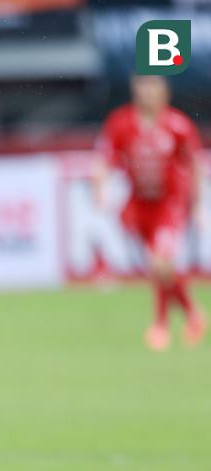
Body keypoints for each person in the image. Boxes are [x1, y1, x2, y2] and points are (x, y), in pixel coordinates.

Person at [93, 74, 205, 351]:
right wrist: (101, 189)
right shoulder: (121, 123)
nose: (147, 93)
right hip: (139, 205)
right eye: (142, 87)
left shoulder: (178, 125)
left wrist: (198, 206)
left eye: (153, 87)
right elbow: (103, 161)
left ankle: (160, 325)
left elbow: (194, 166)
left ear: (164, 92)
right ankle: (193, 314)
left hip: (170, 204)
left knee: (159, 262)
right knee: (159, 268)